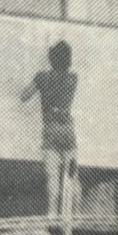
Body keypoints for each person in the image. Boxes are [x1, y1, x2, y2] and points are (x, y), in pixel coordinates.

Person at [21, 41, 79, 215]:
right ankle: (74, 218)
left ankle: (52, 217)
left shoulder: (42, 78)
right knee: (72, 177)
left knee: (53, 179)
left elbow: (24, 96)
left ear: (51, 59)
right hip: (69, 132)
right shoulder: (73, 79)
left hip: (51, 130)